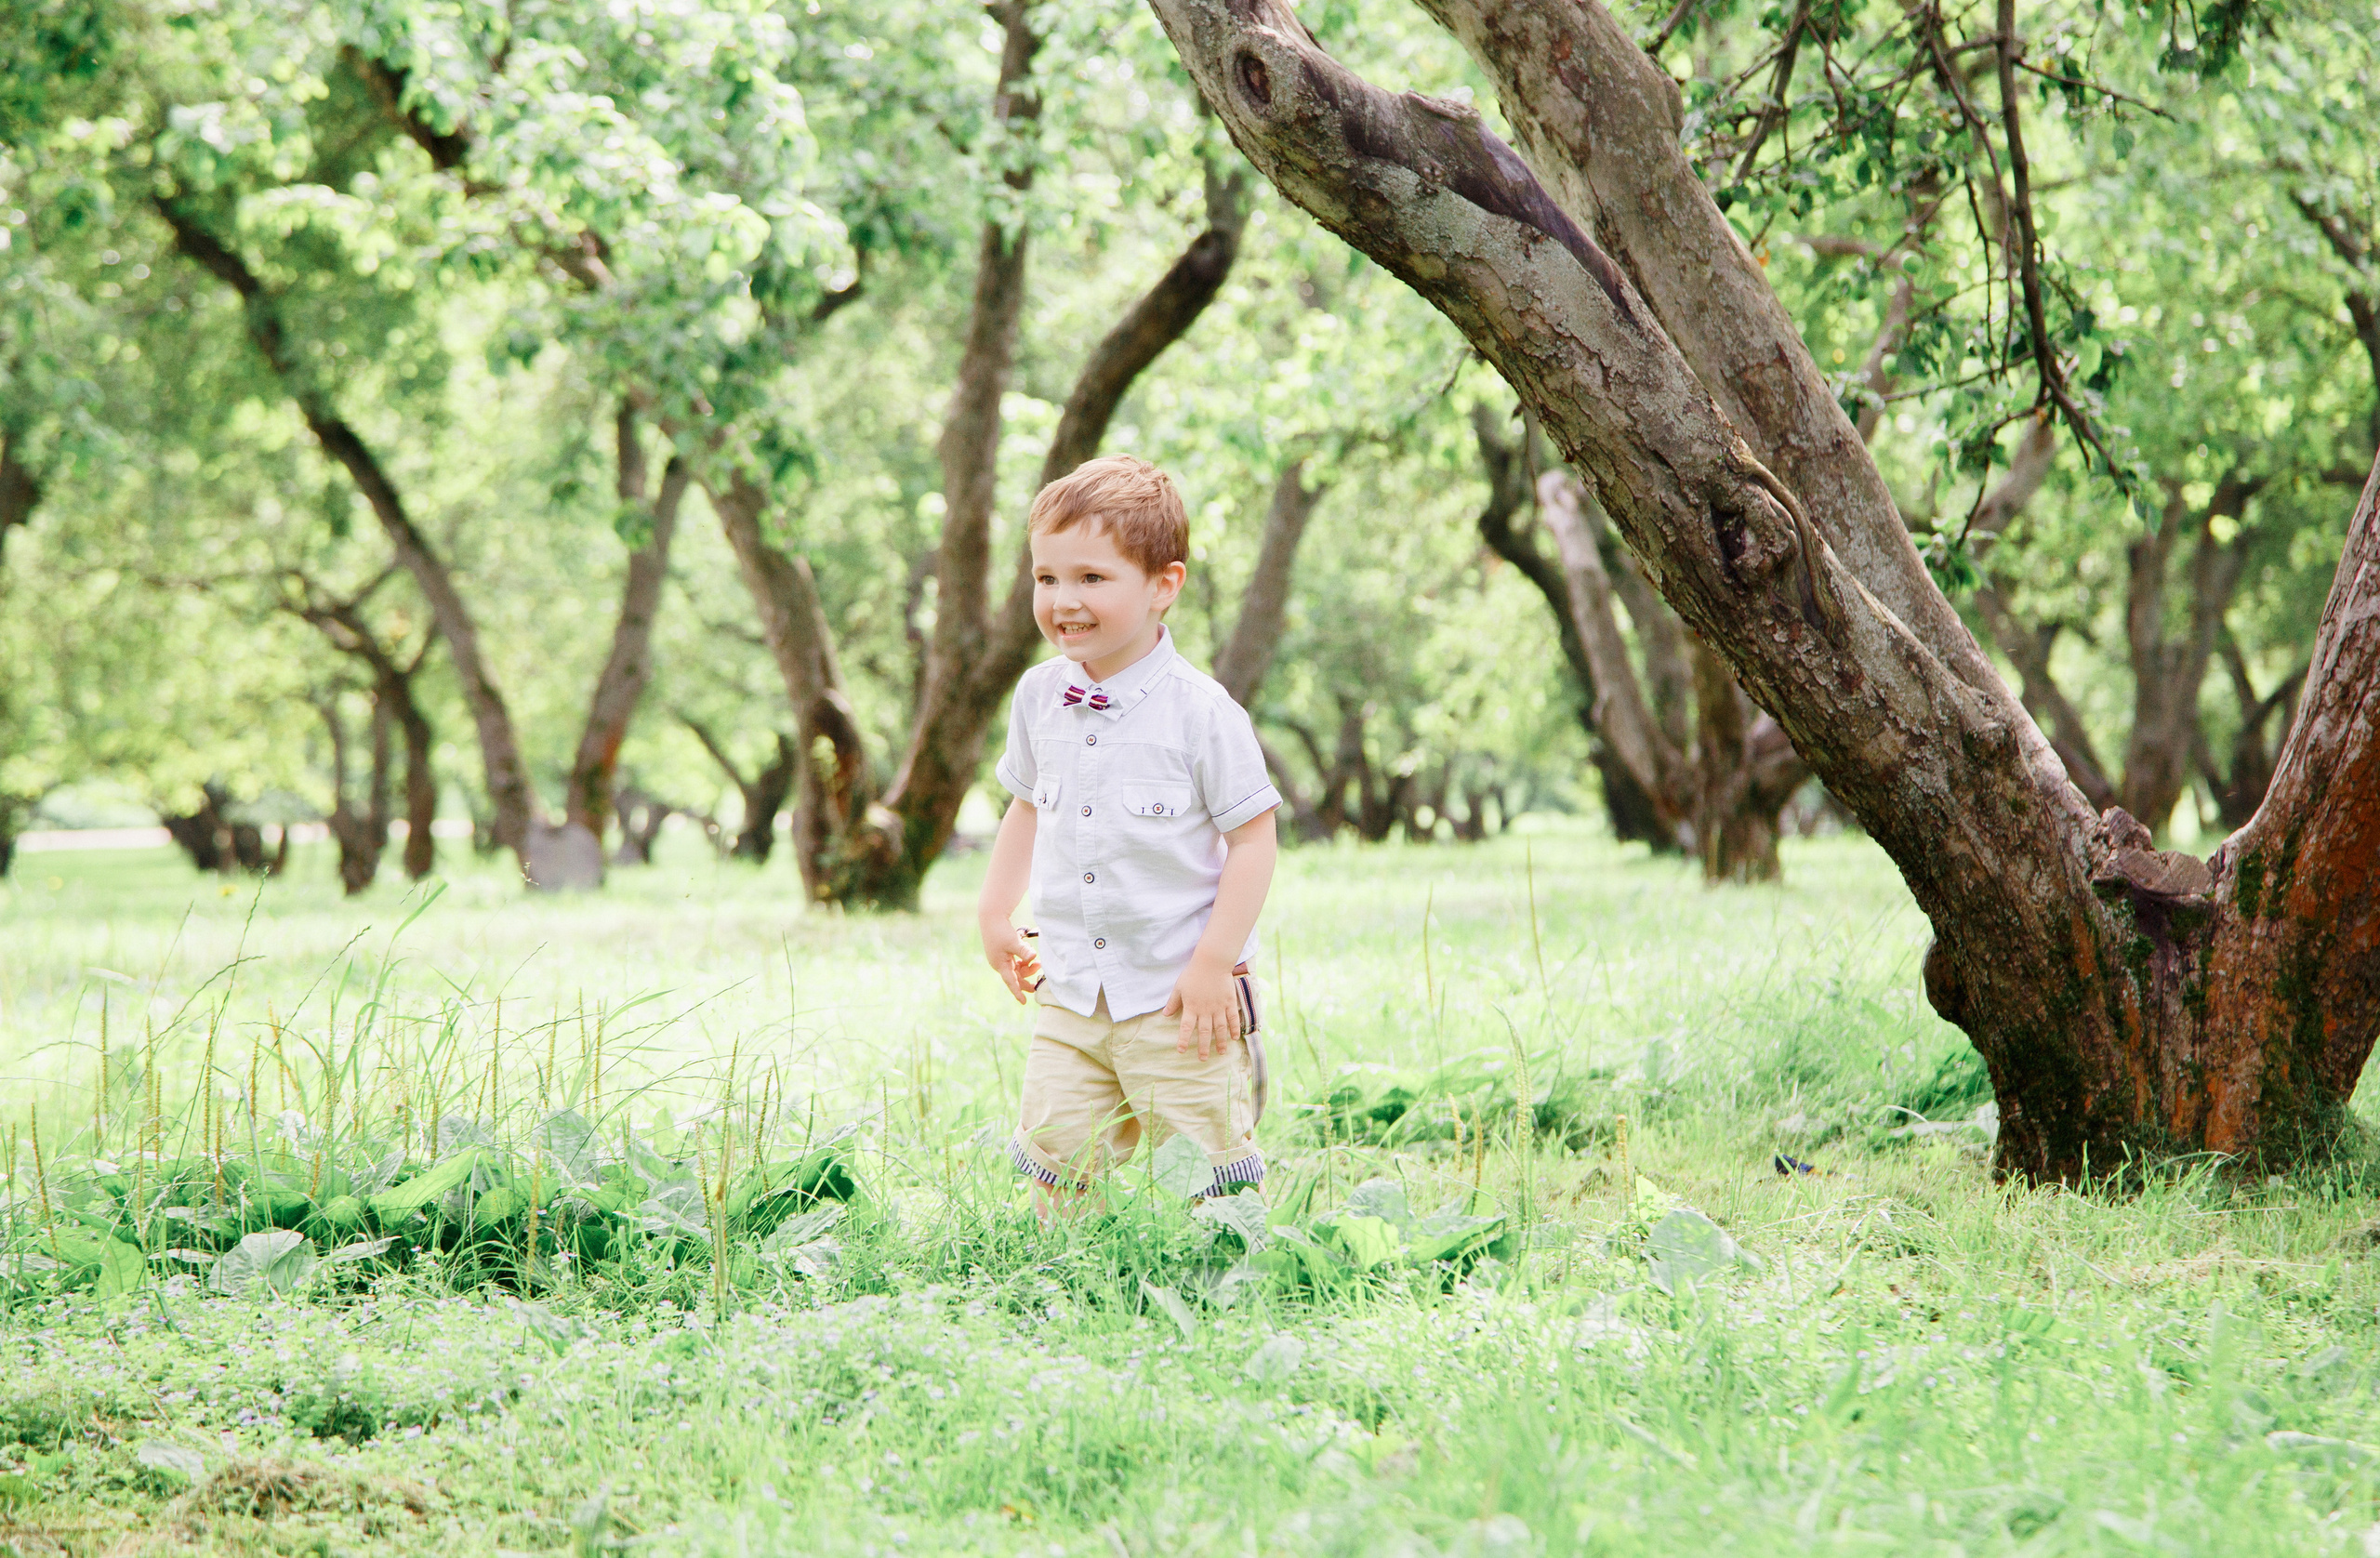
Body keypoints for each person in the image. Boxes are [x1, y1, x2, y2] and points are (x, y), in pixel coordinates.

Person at [977, 454, 1282, 1206]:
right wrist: (993, 910)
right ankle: (1063, 1277)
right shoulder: (1038, 695)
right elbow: (1025, 805)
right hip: (1072, 990)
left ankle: (1222, 1277)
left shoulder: (1202, 714)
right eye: (1047, 578)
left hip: (1181, 999)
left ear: (1162, 587)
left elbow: (1253, 840)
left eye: (1091, 578)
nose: (1062, 601)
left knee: (1207, 1169)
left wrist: (1214, 963)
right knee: (1056, 1156)